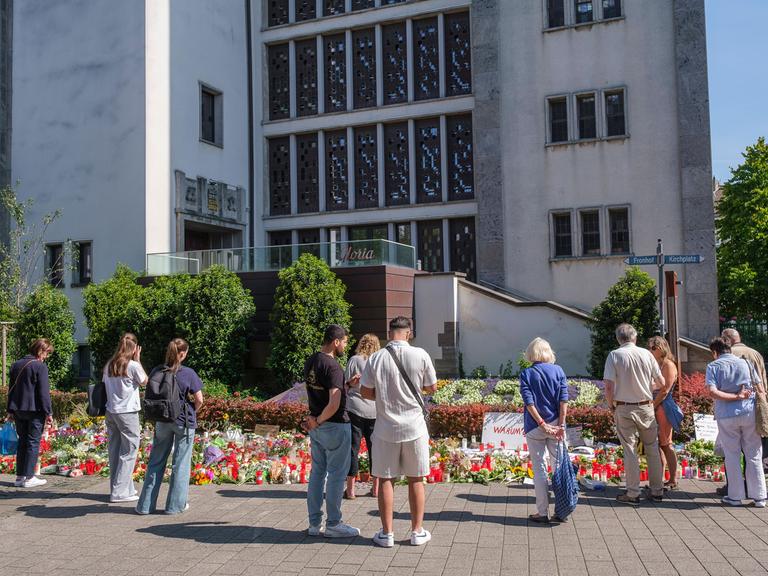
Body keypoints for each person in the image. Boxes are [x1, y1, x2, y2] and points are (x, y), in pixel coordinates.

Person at [361, 316, 437, 548]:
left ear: (390, 332)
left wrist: (384, 396)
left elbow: (365, 391)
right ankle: (416, 531)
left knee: (385, 478)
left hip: (385, 427)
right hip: (414, 426)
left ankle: (387, 533)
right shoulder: (421, 354)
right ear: (409, 333)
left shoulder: (376, 358)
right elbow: (431, 387)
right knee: (416, 479)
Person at [302, 324, 360, 538]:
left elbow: (326, 391)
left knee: (317, 474)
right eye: (344, 341)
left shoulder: (312, 361)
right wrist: (318, 419)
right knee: (336, 476)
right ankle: (334, 523)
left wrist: (346, 385)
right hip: (334, 425)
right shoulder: (333, 366)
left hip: (318, 427)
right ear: (336, 342)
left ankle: (314, 524)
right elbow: (334, 403)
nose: (345, 345)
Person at [136, 338, 204, 515]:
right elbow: (199, 399)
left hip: (162, 420)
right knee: (180, 464)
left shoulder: (158, 370)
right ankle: (174, 506)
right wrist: (192, 411)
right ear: (183, 353)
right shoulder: (188, 373)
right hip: (183, 422)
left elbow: (149, 386)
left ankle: (144, 506)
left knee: (155, 462)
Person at [603, 323, 665, 506]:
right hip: (646, 406)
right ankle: (657, 490)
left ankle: (633, 492)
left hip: (623, 406)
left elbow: (608, 386)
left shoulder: (615, 355)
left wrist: (611, 404)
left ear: (618, 339)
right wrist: (646, 389)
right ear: (635, 337)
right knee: (652, 448)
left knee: (629, 450)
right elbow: (661, 382)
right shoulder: (646, 354)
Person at [706, 337, 766, 507]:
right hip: (749, 412)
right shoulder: (746, 363)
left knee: (732, 455)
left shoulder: (713, 366)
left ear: (714, 352)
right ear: (730, 348)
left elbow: (713, 392)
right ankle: (760, 496)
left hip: (726, 415)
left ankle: (735, 496)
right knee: (754, 453)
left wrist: (734, 397)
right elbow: (760, 388)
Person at [519, 338, 568, 523]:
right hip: (557, 425)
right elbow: (564, 400)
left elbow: (528, 401)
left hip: (534, 426)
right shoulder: (559, 371)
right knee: (558, 468)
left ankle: (542, 512)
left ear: (531, 353)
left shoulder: (527, 373)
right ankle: (561, 510)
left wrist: (541, 423)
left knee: (539, 469)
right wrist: (561, 425)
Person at [103, 332, 147, 503]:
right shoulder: (133, 365)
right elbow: (145, 381)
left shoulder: (109, 365)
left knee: (115, 451)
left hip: (111, 411)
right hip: (127, 413)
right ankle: (120, 492)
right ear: (134, 348)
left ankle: (122, 488)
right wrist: (138, 360)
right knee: (129, 451)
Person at [7, 339, 54, 488]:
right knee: (33, 442)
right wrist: (49, 412)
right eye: (46, 353)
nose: (46, 356)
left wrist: (9, 409)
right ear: (41, 350)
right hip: (35, 410)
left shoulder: (16, 365)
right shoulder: (40, 367)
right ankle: (30, 478)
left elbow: (11, 389)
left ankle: (19, 477)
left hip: (18, 409)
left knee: (22, 442)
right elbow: (43, 393)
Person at [722, 328, 768, 473]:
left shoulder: (727, 356)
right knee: (753, 450)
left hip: (731, 407)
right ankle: (752, 484)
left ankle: (733, 487)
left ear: (726, 340)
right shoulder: (755, 353)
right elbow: (763, 382)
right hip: (754, 406)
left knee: (732, 450)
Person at [344, 333, 381, 500]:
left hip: (355, 408)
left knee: (353, 447)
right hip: (374, 409)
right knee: (376, 449)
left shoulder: (354, 360)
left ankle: (350, 490)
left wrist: (353, 382)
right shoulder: (379, 361)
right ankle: (376, 489)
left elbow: (346, 383)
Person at [647, 336, 679, 489]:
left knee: (666, 443)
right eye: (649, 347)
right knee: (658, 444)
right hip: (656, 405)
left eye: (653, 348)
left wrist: (653, 405)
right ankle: (658, 480)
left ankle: (673, 479)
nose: (650, 350)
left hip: (663, 407)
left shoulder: (668, 364)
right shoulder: (656, 364)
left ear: (661, 348)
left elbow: (665, 390)